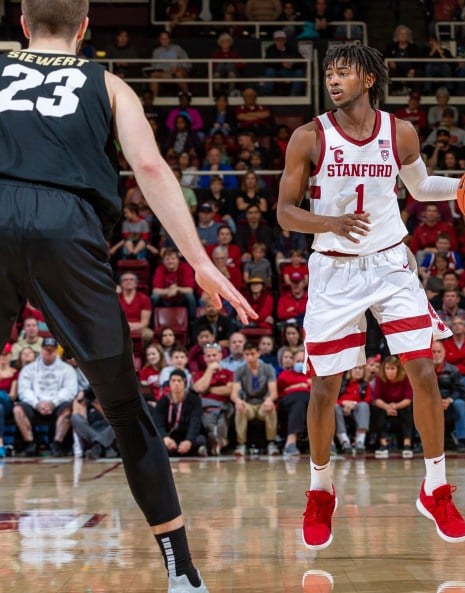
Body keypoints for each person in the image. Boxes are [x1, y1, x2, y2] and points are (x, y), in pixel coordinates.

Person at [0, 5, 258, 591]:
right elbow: (148, 164)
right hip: (66, 223)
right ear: (85, 28)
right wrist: (200, 262)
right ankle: (182, 573)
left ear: (22, 23)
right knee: (121, 406)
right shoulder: (109, 84)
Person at [275, 43, 465, 550]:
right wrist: (330, 223)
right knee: (324, 388)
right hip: (334, 270)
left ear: (368, 78)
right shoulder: (308, 137)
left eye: (344, 72)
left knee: (422, 369)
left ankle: (436, 487)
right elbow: (284, 213)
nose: (334, 80)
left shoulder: (399, 131)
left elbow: (423, 188)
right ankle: (320, 492)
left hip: (390, 263)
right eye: (329, 73)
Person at [13, 337, 77, 456]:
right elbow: (24, 390)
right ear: (41, 350)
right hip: (35, 404)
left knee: (69, 409)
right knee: (18, 409)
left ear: (56, 351)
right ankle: (30, 444)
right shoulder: (28, 369)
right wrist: (37, 404)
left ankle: (57, 444)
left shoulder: (67, 369)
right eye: (46, 349)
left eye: (52, 350)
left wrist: (53, 403)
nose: (49, 352)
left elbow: (70, 391)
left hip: (57, 405)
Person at [232, 341, 279, 457]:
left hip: (263, 402)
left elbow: (274, 393)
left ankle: (271, 443)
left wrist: (269, 400)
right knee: (240, 408)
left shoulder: (268, 369)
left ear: (258, 353)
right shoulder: (239, 370)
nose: (249, 357)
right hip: (248, 403)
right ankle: (241, 444)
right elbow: (234, 392)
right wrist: (238, 401)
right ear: (243, 355)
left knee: (270, 407)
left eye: (252, 354)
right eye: (246, 354)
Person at [153, 369, 207, 458]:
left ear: (185, 382)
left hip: (187, 435)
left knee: (201, 439)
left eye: (179, 380)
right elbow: (158, 423)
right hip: (170, 436)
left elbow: (195, 422)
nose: (176, 383)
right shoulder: (163, 401)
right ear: (169, 383)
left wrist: (188, 440)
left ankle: (192, 449)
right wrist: (165, 438)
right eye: (173, 381)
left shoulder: (194, 400)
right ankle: (194, 451)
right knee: (157, 443)